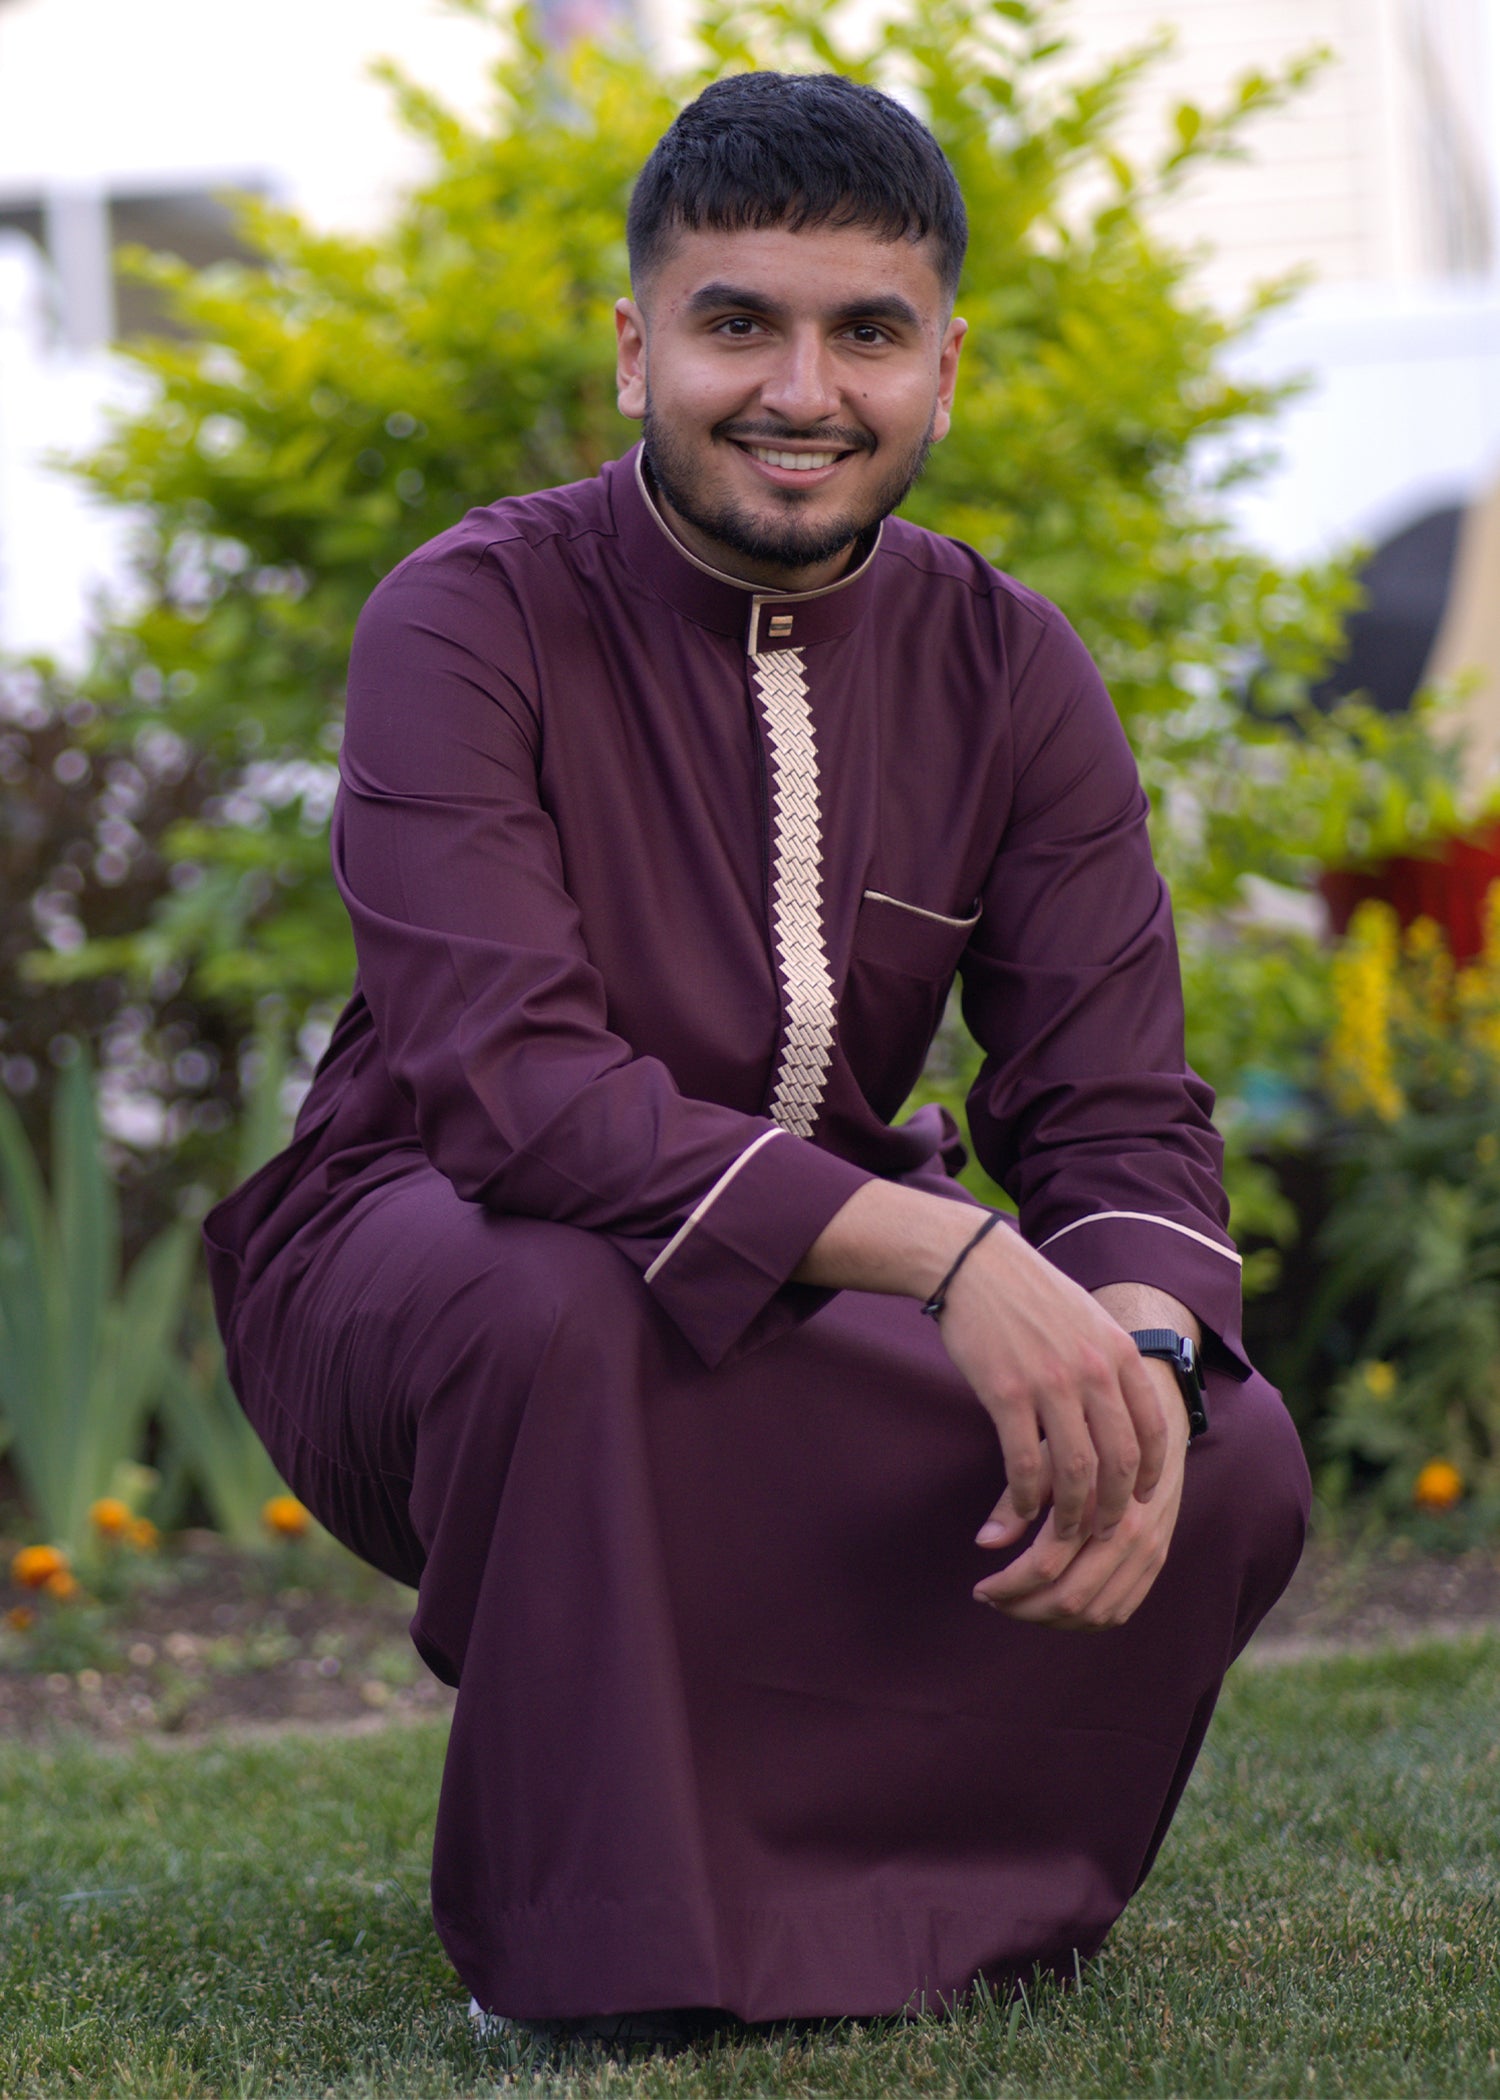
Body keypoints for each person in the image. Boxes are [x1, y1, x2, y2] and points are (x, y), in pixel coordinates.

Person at [204, 69, 1310, 2039]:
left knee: (1221, 1450)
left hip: (818, 1272)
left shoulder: (1011, 665)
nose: (801, 389)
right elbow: (518, 1093)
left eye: (865, 332)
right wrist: (965, 1263)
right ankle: (604, 1945)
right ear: (640, 345)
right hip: (423, 1256)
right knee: (568, 1312)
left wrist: (1127, 1338)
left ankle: (925, 1901)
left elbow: (1115, 1099)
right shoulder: (466, 620)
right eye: (740, 324)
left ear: (944, 370)